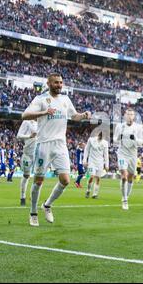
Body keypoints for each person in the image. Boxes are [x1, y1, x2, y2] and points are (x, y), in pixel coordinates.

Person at [22, 73, 91, 227]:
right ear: (48, 83)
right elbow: (24, 115)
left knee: (65, 180)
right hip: (43, 144)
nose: (59, 85)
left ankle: (47, 205)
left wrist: (84, 115)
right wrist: (44, 112)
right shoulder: (40, 99)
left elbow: (74, 116)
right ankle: (33, 213)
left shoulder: (66, 99)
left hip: (60, 145)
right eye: (56, 83)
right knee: (38, 181)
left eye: (60, 82)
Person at [113, 108, 143, 210]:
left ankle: (127, 195)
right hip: (122, 154)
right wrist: (119, 137)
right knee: (124, 176)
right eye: (128, 114)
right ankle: (124, 199)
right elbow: (114, 139)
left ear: (134, 116)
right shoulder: (120, 126)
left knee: (131, 177)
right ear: (125, 116)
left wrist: (135, 139)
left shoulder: (138, 127)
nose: (130, 116)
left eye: (132, 114)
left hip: (133, 155)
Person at [16, 120, 38, 206]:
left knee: (39, 176)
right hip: (27, 154)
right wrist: (30, 136)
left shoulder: (40, 122)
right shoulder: (27, 122)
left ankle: (33, 196)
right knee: (26, 175)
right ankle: (22, 197)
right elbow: (18, 136)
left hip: (37, 154)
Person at [83, 132, 109, 199]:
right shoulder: (91, 140)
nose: (101, 137)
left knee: (98, 179)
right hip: (91, 162)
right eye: (101, 136)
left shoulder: (105, 143)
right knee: (91, 176)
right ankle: (88, 190)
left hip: (100, 162)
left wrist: (106, 165)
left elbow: (106, 155)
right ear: (98, 134)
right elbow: (86, 150)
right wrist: (84, 160)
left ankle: (95, 194)